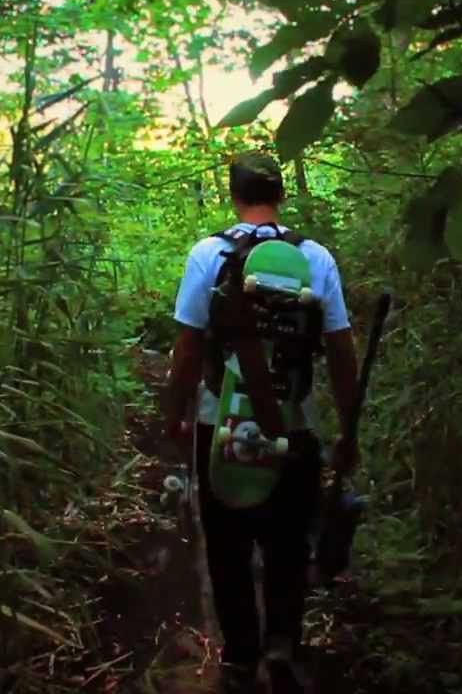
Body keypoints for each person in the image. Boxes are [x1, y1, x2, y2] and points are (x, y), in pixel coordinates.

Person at [161, 152, 361, 693]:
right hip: (295, 425)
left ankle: (240, 657)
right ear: (280, 195)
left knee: (226, 546)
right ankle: (282, 645)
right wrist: (348, 429)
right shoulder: (315, 257)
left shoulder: (209, 253)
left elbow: (187, 348)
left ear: (234, 195)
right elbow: (341, 351)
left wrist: (174, 415)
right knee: (288, 545)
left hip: (218, 422)